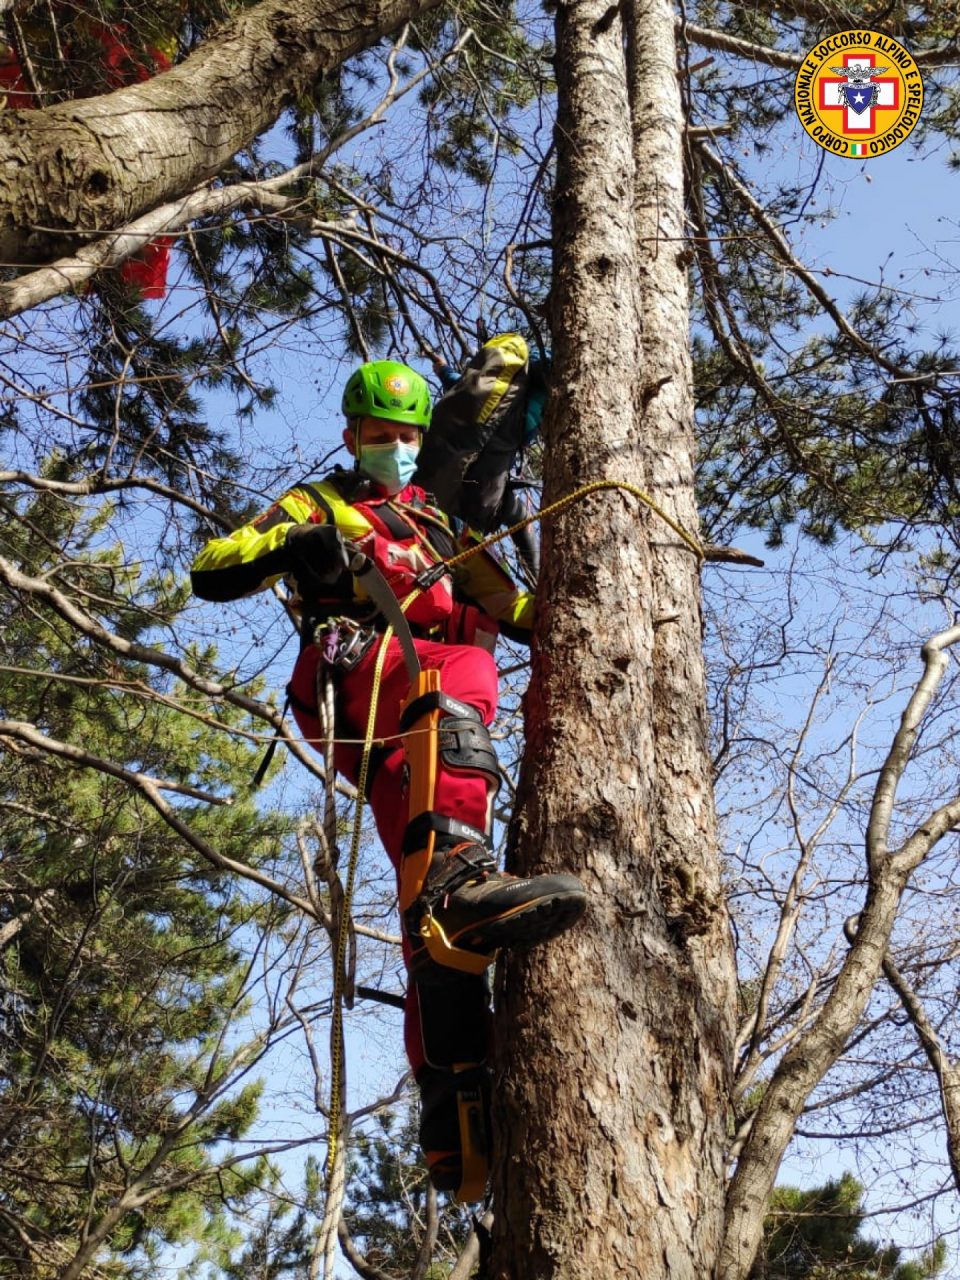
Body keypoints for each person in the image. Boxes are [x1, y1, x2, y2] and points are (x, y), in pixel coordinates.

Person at [191, 359, 587, 1198]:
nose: (398, 448)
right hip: (355, 680)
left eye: (409, 436)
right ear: (352, 435)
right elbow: (215, 565)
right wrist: (297, 546)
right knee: (462, 670)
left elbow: (509, 605)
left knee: (426, 912)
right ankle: (460, 880)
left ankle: (455, 1120)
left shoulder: (440, 524)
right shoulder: (317, 502)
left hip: (420, 739)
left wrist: (579, 599)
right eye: (382, 435)